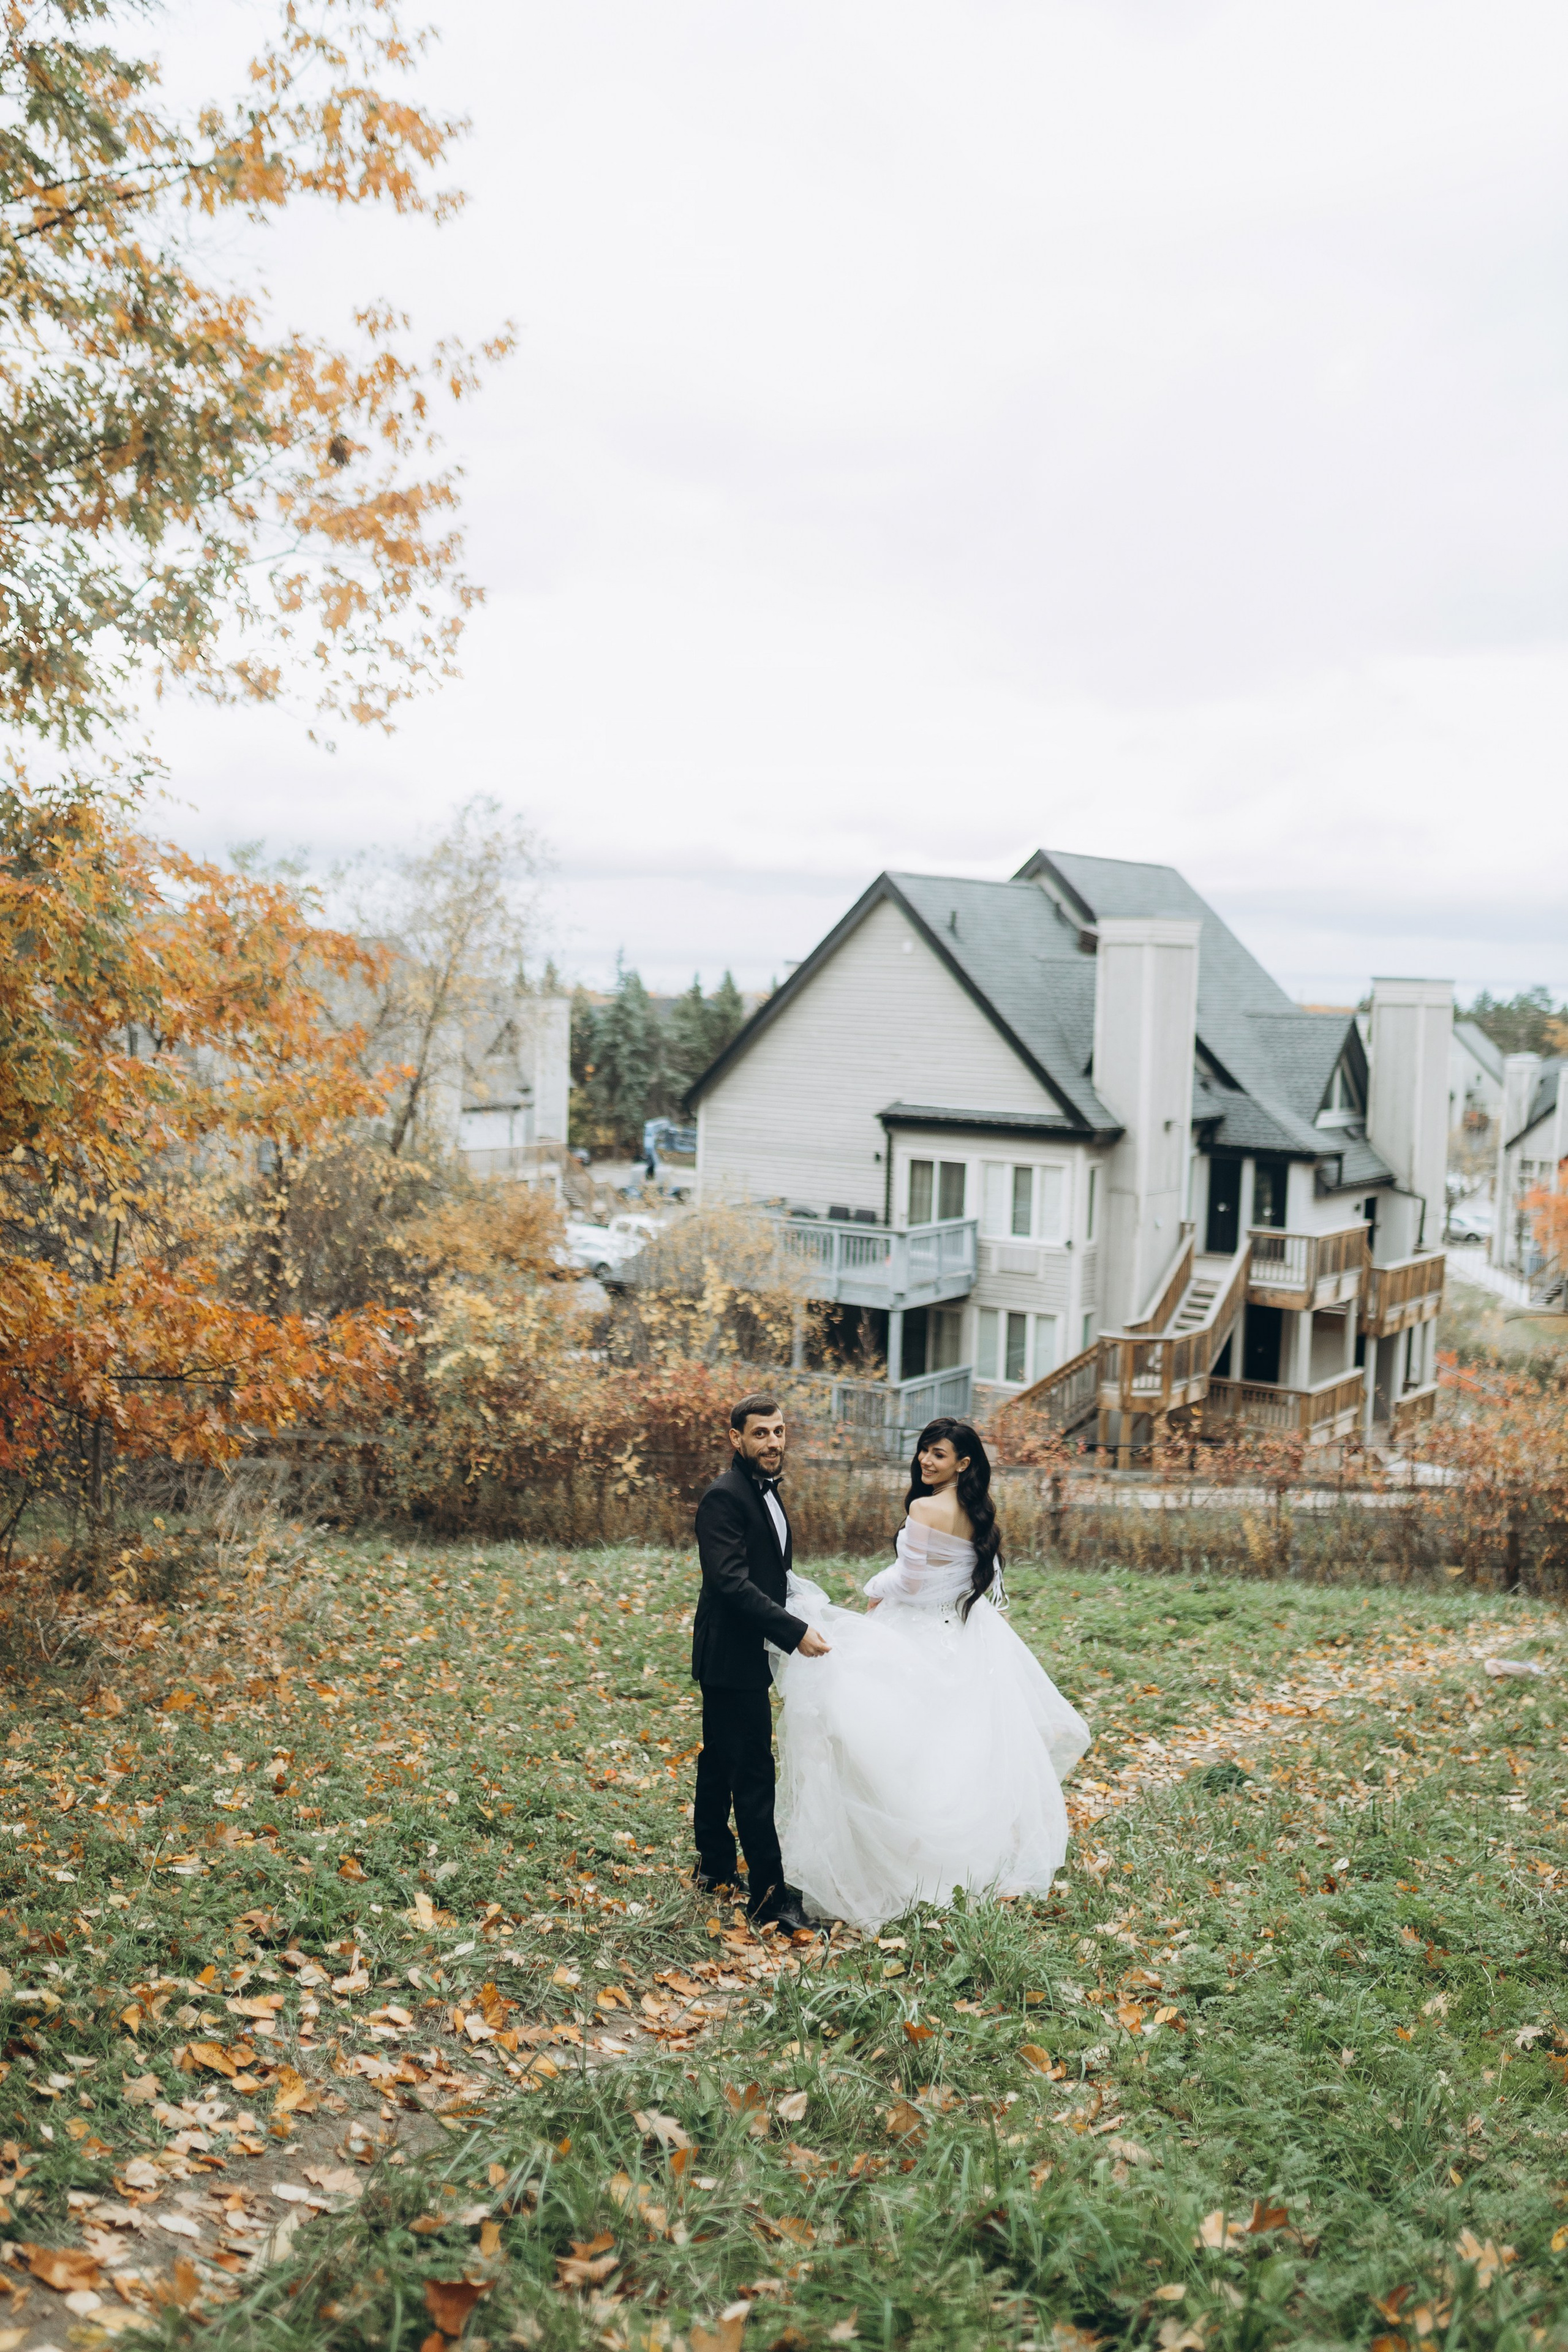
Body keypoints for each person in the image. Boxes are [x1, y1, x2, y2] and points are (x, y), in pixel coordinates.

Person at [771, 1417, 1090, 1931]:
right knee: (951, 1747)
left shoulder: (925, 1507)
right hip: (963, 1635)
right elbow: (973, 1580)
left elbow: (911, 1582)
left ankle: (895, 1866)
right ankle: (957, 1864)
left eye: (938, 1455)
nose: (926, 1461)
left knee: (888, 1738)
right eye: (924, 1451)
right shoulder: (977, 1511)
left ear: (963, 1463)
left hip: (916, 1630)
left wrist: (874, 1583)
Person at [692, 1393, 829, 1933]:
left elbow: (769, 1573)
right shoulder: (723, 1499)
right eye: (760, 1434)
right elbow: (730, 1582)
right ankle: (770, 1898)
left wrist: (806, 1610)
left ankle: (714, 1868)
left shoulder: (764, 1492)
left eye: (779, 1431)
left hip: (748, 1651)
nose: (773, 1442)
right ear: (736, 1439)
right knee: (751, 1772)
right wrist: (794, 1633)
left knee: (720, 1761)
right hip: (731, 1654)